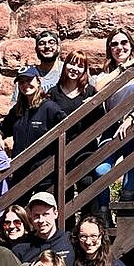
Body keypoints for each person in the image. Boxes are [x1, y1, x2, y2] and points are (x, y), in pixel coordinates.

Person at [93, 28, 134, 205]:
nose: (120, 47)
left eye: (124, 42)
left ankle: (125, 210)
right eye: (114, 44)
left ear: (131, 45)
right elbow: (98, 88)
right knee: (101, 170)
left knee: (131, 182)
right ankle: (103, 212)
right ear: (109, 49)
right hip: (112, 128)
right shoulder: (106, 74)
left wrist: (132, 118)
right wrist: (122, 69)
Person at [48, 49, 102, 208]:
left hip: (85, 148)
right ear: (65, 65)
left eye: (80, 66)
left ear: (84, 70)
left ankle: (89, 221)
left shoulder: (89, 92)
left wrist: (93, 105)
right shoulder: (54, 93)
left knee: (87, 184)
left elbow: (100, 118)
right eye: (71, 63)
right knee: (63, 191)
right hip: (61, 150)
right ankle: (67, 224)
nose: (74, 69)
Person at [0, 68, 65, 192]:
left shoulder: (49, 107)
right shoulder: (17, 109)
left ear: (38, 81)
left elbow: (66, 128)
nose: (25, 85)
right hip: (20, 173)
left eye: (29, 80)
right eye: (21, 82)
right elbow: (3, 127)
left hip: (45, 173)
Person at [9, 30, 63, 103]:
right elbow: (16, 104)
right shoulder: (28, 74)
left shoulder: (66, 70)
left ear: (58, 48)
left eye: (51, 43)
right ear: (36, 49)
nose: (47, 46)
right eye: (42, 43)